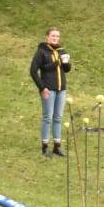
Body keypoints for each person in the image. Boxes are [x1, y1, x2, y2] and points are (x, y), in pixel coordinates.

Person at [31, 27, 71, 157]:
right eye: (53, 36)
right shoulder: (42, 51)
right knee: (48, 117)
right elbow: (34, 71)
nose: (55, 38)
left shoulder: (61, 50)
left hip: (61, 89)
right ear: (47, 37)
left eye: (57, 36)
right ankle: (45, 146)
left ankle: (57, 146)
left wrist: (66, 62)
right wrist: (42, 87)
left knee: (58, 117)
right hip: (49, 89)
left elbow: (66, 69)